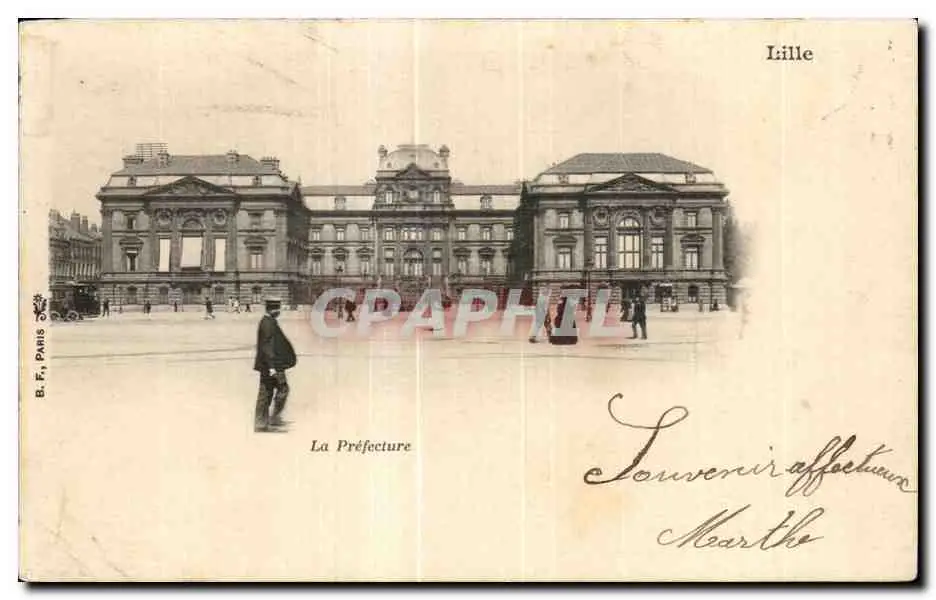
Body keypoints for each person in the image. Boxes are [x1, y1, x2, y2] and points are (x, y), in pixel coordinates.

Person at [254, 297, 297, 432]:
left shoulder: (269, 321)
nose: (279, 311)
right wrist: (272, 367)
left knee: (268, 391)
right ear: (272, 309)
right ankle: (266, 422)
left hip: (272, 363)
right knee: (278, 390)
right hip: (272, 365)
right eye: (277, 309)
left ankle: (266, 421)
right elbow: (267, 346)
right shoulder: (267, 324)